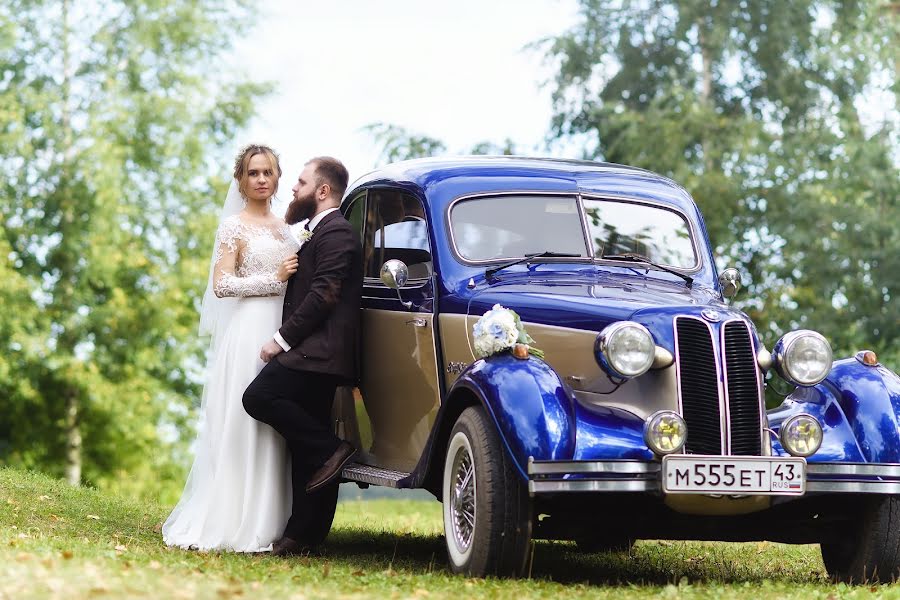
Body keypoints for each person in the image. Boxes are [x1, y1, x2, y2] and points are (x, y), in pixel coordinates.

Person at [163, 145, 300, 552]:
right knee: (244, 420)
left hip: (283, 329)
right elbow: (221, 286)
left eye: (268, 172)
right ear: (240, 180)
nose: (261, 179)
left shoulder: (286, 228)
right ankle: (233, 518)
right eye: (253, 173)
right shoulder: (232, 227)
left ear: (277, 178)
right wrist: (273, 280)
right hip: (247, 332)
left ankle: (272, 518)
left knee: (276, 423)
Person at [243, 156, 362, 556]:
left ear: (322, 190)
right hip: (314, 351)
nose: (292, 188)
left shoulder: (337, 233)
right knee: (304, 444)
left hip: (319, 352)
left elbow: (324, 295)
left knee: (258, 397)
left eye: (301, 181)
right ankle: (302, 535)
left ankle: (332, 449)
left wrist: (280, 339)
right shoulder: (315, 232)